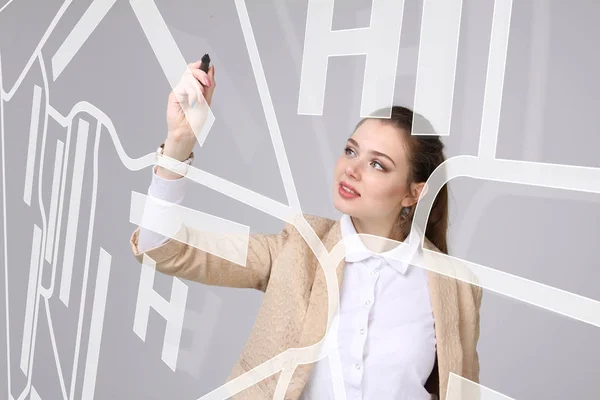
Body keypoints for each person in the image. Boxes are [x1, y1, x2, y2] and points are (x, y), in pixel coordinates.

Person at [129, 58, 482, 400]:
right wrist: (178, 145)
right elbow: (162, 246)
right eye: (350, 151)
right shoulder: (298, 248)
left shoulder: (454, 284)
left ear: (413, 193)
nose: (351, 169)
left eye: (377, 164)